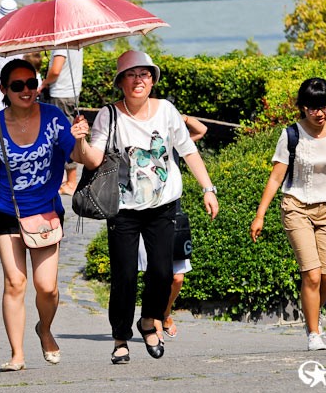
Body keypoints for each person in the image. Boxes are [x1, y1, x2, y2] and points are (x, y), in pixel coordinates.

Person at [71, 50, 219, 364]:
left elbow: (188, 151)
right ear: (121, 82)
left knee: (163, 272)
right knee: (124, 274)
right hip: (123, 207)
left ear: (152, 79)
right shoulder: (109, 115)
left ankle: (149, 321)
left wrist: (208, 188)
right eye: (132, 74)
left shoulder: (166, 110)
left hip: (163, 204)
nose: (139, 80)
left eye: (145, 74)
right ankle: (120, 337)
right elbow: (93, 159)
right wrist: (80, 140)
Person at [0, 58, 78, 371]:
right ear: (3, 89)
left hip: (44, 213)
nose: (26, 90)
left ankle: (44, 329)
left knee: (47, 288)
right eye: (18, 85)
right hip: (7, 211)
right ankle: (17, 354)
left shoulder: (55, 118)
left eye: (31, 83)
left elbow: (78, 156)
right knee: (15, 282)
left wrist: (80, 137)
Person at [251, 77, 326, 351]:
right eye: (312, 107)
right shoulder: (291, 134)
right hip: (297, 207)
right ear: (302, 107)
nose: (319, 113)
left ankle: (311, 312)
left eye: (324, 106)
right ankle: (313, 332)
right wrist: (260, 215)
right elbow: (276, 178)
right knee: (312, 275)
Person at [137, 114, 208, 339]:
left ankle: (165, 312)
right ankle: (152, 318)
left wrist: (180, 117)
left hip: (171, 215)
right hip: (141, 214)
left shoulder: (171, 142)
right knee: (155, 273)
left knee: (177, 277)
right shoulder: (137, 142)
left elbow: (201, 131)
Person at [39, 48, 83, 195]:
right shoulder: (75, 40)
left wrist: (44, 83)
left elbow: (56, 70)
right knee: (63, 137)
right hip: (71, 93)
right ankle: (66, 180)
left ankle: (71, 182)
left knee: (62, 139)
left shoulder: (61, 44)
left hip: (60, 94)